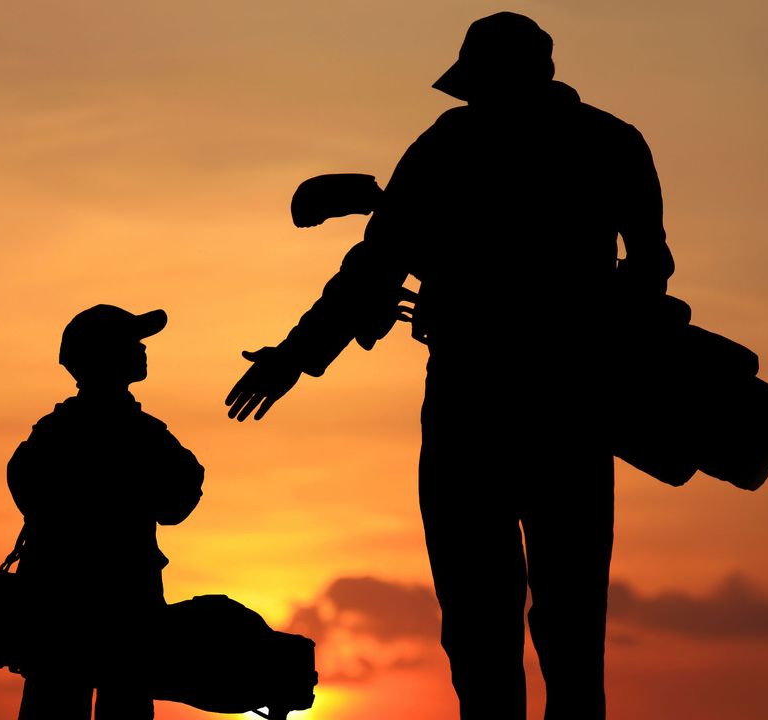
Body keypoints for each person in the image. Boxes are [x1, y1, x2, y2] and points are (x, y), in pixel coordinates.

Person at [225, 12, 674, 720]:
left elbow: (373, 270)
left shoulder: (450, 146)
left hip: (479, 406)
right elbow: (651, 274)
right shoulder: (611, 142)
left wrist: (294, 359)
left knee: (486, 619)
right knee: (566, 621)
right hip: (571, 407)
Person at [8, 304, 204, 720]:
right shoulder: (143, 434)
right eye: (133, 342)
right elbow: (179, 498)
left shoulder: (51, 431)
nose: (143, 349)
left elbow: (24, 487)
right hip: (125, 604)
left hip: (56, 604)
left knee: (53, 703)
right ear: (108, 355)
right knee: (124, 704)